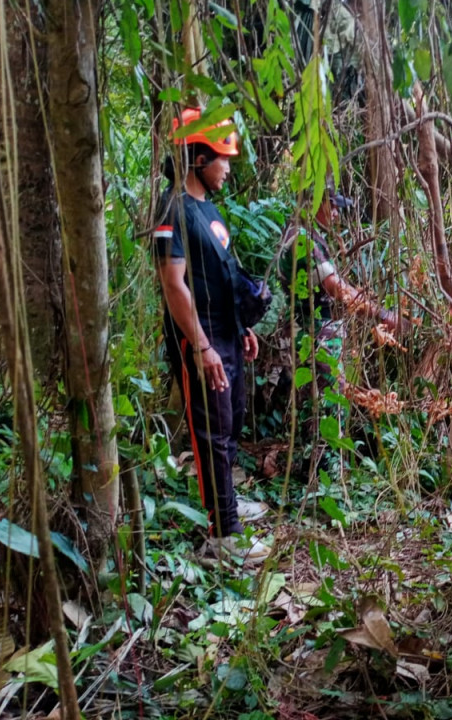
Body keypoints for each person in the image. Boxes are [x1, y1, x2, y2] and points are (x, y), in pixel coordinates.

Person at [153, 107, 270, 567]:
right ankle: (222, 535)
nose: (227, 167)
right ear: (197, 156)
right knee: (211, 431)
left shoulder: (209, 208)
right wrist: (200, 345)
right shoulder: (173, 209)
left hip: (226, 333)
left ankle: (227, 505)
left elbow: (222, 272)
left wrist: (240, 329)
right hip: (197, 338)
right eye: (221, 159)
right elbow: (173, 282)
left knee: (232, 419)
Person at [277, 192, 403, 460]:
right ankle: (326, 477)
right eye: (332, 207)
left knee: (316, 405)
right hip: (312, 333)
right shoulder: (303, 239)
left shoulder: (303, 235)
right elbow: (336, 287)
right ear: (314, 202)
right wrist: (382, 314)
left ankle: (315, 474)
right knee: (327, 406)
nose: (336, 215)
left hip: (311, 332)